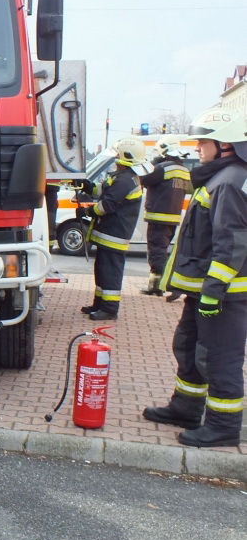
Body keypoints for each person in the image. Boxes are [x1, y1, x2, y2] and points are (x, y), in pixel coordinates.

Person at [143, 109, 247, 448]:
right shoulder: (220, 177)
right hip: (203, 291)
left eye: (204, 141)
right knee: (188, 347)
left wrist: (214, 293)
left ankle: (223, 426)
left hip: (224, 296)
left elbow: (230, 244)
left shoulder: (230, 182)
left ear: (226, 144)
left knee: (219, 357)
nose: (198, 146)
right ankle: (185, 408)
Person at [79, 136, 146, 321]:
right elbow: (104, 191)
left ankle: (109, 309)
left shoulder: (125, 180)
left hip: (113, 235)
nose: (115, 157)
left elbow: (106, 205)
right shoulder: (124, 178)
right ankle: (100, 304)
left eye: (117, 154)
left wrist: (87, 211)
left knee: (109, 272)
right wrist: (88, 187)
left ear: (124, 156)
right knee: (102, 270)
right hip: (109, 234)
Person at [138, 134, 191, 295]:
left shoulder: (163, 168)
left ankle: (158, 286)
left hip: (158, 216)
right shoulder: (184, 170)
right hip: (173, 217)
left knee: (156, 252)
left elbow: (143, 178)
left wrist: (153, 163)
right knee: (163, 250)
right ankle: (158, 285)